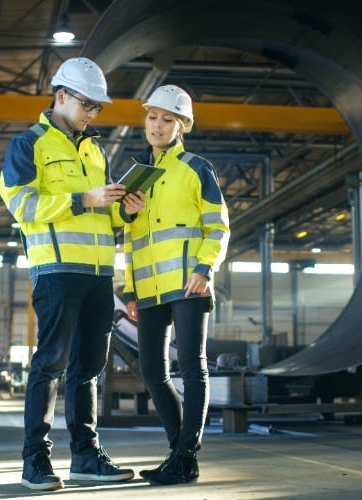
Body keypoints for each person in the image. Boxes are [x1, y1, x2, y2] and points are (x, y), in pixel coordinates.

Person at [0, 57, 144, 491]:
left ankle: (85, 456)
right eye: (87, 105)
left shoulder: (94, 150)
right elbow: (23, 207)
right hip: (57, 271)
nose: (92, 114)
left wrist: (122, 210)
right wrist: (84, 197)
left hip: (99, 275)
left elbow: (99, 216)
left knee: (88, 368)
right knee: (51, 365)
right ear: (60, 95)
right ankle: (35, 462)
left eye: (98, 108)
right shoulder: (29, 146)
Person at [123, 84, 230, 485]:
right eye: (152, 117)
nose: (157, 125)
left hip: (189, 284)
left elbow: (217, 225)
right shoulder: (137, 176)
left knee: (192, 367)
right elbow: (132, 239)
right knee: (152, 371)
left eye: (167, 119)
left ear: (182, 125)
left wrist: (205, 268)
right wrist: (131, 289)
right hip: (149, 290)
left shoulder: (196, 168)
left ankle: (185, 455)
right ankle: (179, 453)